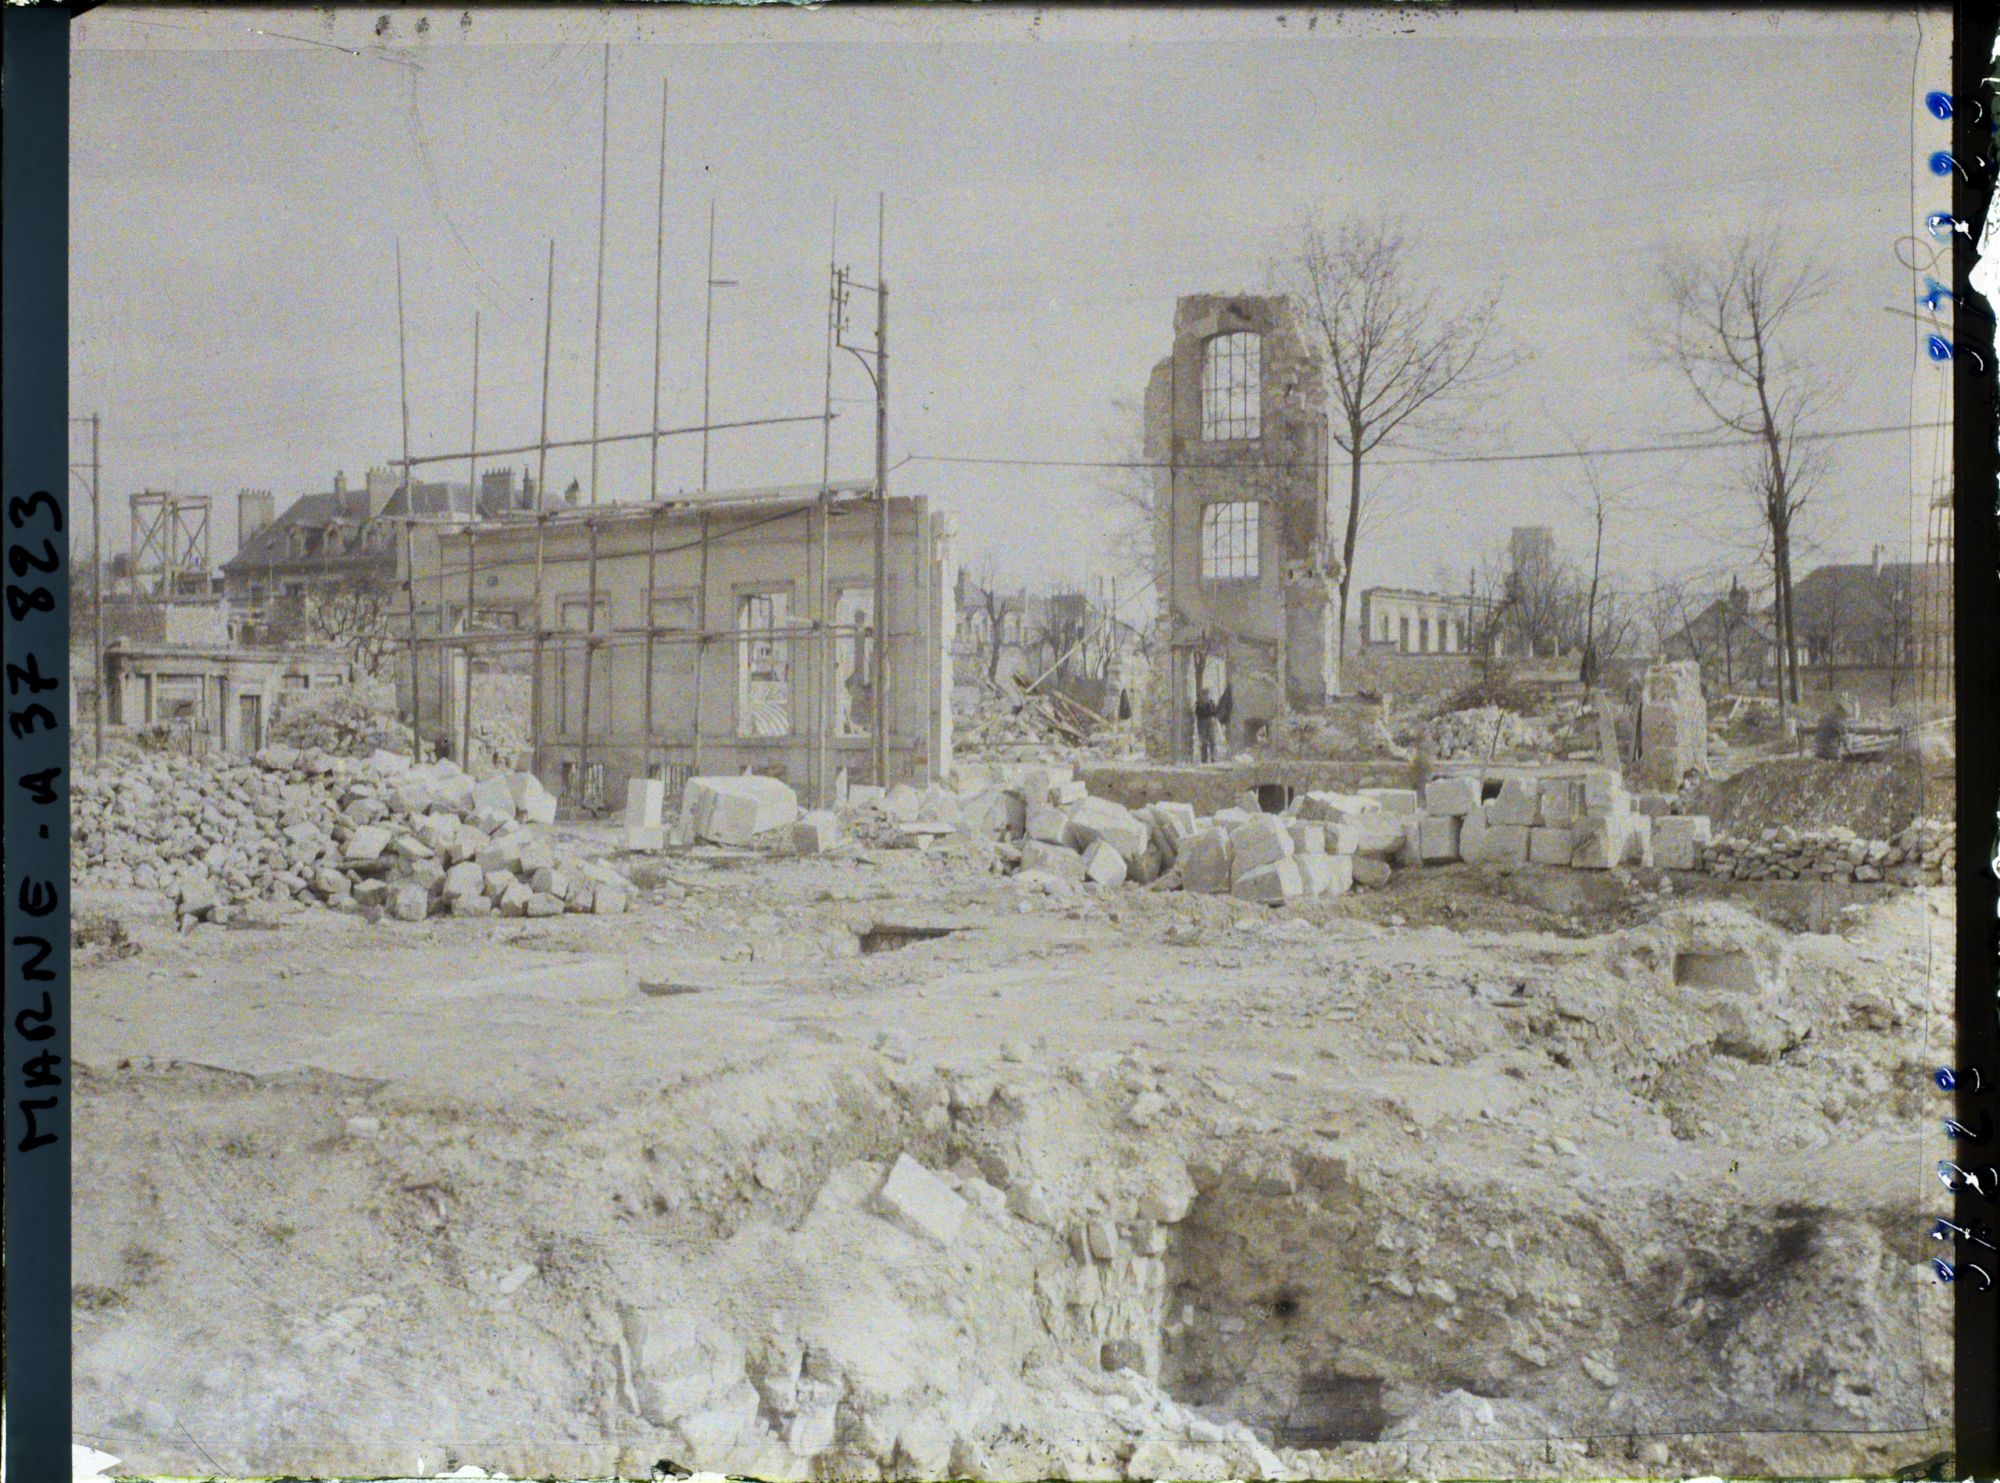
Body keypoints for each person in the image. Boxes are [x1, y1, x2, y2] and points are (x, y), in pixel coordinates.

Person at [1194, 687, 1218, 763]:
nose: (1206, 696)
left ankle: (1213, 757)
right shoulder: (1199, 704)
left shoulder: (1211, 703)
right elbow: (1198, 713)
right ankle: (1204, 758)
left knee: (1212, 740)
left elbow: (1215, 712)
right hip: (1202, 722)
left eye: (1207, 694)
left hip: (1210, 721)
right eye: (1204, 694)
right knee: (1203, 741)